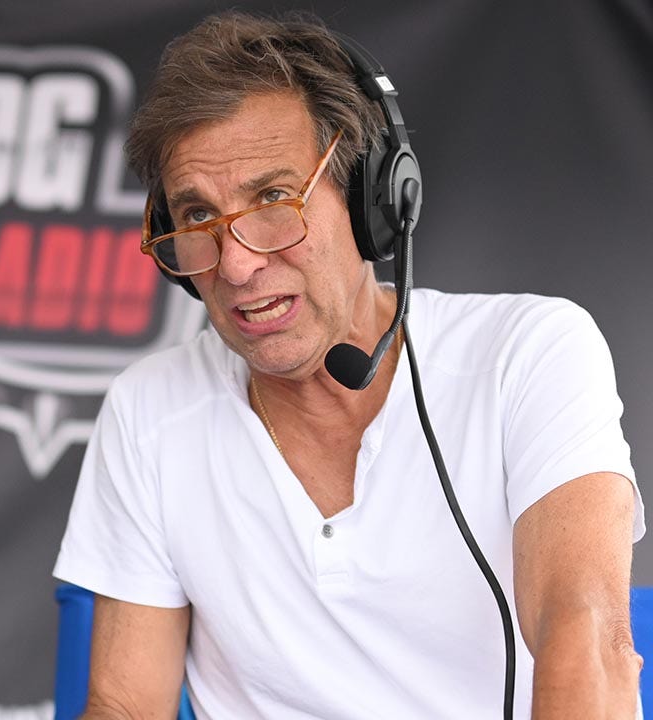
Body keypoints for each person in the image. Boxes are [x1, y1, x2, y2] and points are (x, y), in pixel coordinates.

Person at [52, 10, 644, 719]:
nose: (236, 265)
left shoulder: (528, 354)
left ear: (374, 200)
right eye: (199, 217)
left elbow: (588, 641)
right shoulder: (149, 408)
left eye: (274, 199)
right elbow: (126, 706)